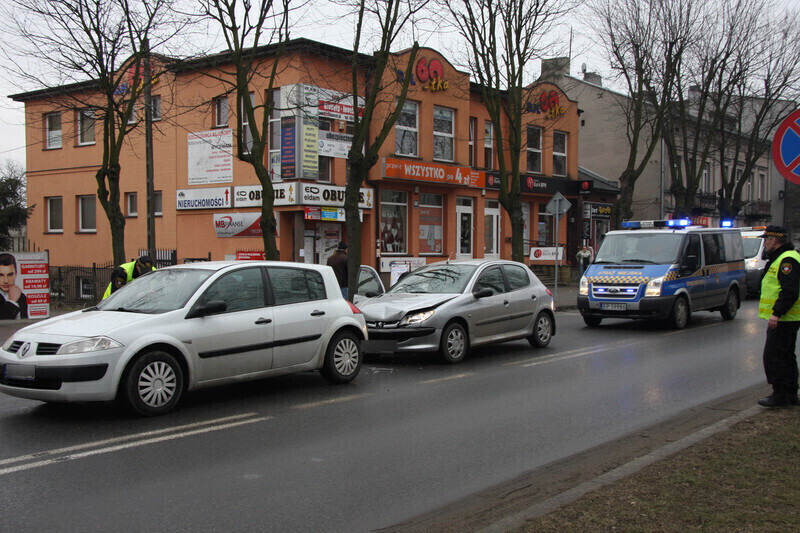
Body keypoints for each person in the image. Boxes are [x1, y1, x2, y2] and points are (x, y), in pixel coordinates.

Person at [757, 225, 800, 408]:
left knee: (773, 356)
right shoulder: (784, 257)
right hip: (788, 317)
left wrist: (777, 313)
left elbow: (789, 291)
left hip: (785, 318)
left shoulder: (786, 260)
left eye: (766, 240)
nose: (764, 243)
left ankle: (780, 394)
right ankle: (790, 393)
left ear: (774, 241)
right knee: (786, 355)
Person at [0, 253, 27, 319]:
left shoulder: (21, 297)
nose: (6, 281)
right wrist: (12, 301)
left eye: (10, 275)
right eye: (1, 275)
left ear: (16, 274)